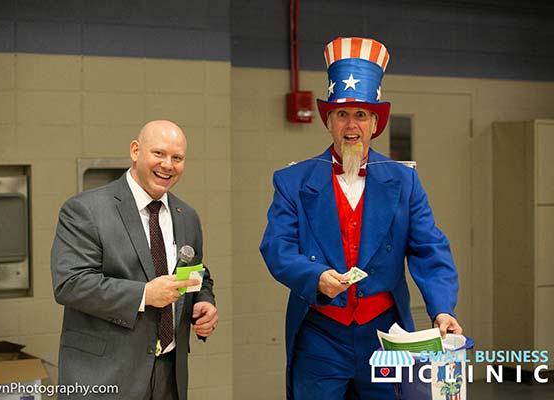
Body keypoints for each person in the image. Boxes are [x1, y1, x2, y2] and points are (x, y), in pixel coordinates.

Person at [259, 37, 462, 400]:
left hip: (384, 334)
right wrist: (315, 277)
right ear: (328, 121)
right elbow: (277, 248)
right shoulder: (292, 181)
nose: (351, 125)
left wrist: (442, 308)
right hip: (320, 335)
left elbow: (430, 249)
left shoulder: (404, 181)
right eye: (342, 115)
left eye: (361, 115)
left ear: (375, 123)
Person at [51, 120, 218, 400]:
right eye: (159, 153)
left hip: (169, 376)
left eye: (177, 158)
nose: (168, 165)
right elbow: (70, 283)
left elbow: (196, 273)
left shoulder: (186, 216)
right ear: (135, 151)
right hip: (105, 376)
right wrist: (144, 294)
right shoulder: (86, 210)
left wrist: (204, 301)